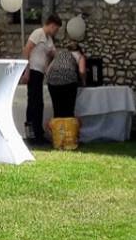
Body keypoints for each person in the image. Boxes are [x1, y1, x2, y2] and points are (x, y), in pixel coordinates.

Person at [22, 13, 61, 144]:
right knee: (33, 102)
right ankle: (31, 134)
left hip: (39, 72)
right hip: (32, 70)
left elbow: (53, 54)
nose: (55, 32)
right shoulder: (38, 33)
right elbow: (27, 49)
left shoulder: (49, 39)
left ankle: (38, 133)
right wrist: (26, 71)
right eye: (55, 29)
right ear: (51, 25)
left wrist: (47, 65)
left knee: (39, 103)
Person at [45, 40, 87, 119]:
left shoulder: (59, 54)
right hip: (69, 80)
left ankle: (58, 129)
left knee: (57, 109)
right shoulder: (80, 56)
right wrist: (84, 82)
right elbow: (82, 71)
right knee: (68, 109)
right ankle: (69, 128)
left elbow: (47, 71)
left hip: (53, 81)